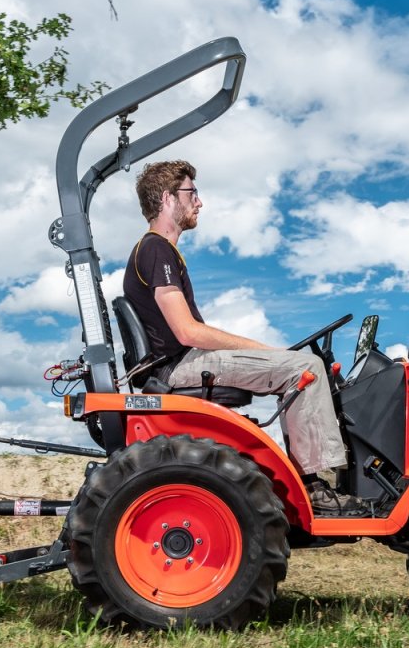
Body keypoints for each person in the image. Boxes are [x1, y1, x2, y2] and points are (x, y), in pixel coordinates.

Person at [122, 159, 368, 516]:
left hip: (178, 362)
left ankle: (314, 479)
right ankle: (315, 488)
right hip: (179, 366)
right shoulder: (156, 248)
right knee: (305, 368)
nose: (199, 202)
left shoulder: (157, 251)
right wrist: (269, 352)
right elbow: (187, 331)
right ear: (167, 199)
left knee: (299, 364)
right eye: (192, 193)